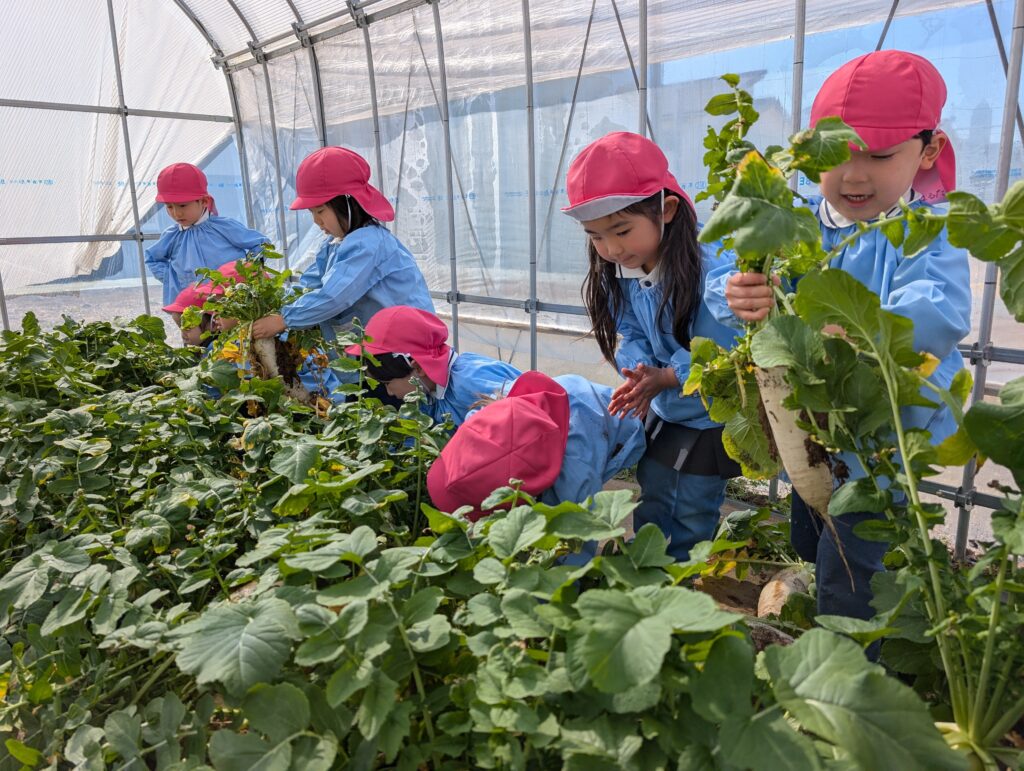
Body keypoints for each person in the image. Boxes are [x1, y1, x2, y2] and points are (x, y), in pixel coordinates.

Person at [704, 50, 971, 627]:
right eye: (836, 154)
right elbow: (722, 273)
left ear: (928, 151)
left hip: (883, 436)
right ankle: (832, 609)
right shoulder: (792, 214)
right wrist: (736, 294)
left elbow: (939, 312)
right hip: (806, 426)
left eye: (879, 156)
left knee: (853, 565)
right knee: (809, 530)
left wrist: (845, 330)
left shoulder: (928, 227)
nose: (853, 175)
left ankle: (856, 655)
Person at [561, 131, 741, 561]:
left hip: (708, 416)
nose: (611, 248)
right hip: (665, 410)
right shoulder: (625, 268)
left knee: (693, 506)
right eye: (596, 236)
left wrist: (669, 375)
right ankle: (649, 565)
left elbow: (725, 346)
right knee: (654, 492)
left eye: (622, 230)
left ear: (668, 209)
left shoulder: (712, 266)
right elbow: (630, 331)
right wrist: (642, 371)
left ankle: (681, 579)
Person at [426, 370, 646, 562]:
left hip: (622, 420)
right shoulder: (486, 417)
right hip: (571, 399)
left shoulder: (575, 476)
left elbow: (577, 548)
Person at [250, 147, 433, 344]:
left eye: (320, 211)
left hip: (405, 349)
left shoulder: (368, 244)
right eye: (311, 213)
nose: (316, 221)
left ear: (348, 204)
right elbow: (309, 285)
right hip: (375, 350)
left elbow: (333, 296)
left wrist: (284, 320)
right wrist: (274, 305)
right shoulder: (334, 245)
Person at [345, 305, 521, 428]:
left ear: (418, 367)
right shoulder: (428, 394)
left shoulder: (470, 379)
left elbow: (523, 407)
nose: (389, 393)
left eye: (387, 383)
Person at [145, 163, 268, 308]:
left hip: (229, 300)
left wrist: (248, 271)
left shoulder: (224, 227)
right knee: (187, 322)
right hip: (190, 303)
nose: (176, 213)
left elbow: (261, 243)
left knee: (227, 322)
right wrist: (171, 278)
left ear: (204, 201)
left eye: (183, 205)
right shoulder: (172, 236)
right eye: (169, 206)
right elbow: (152, 259)